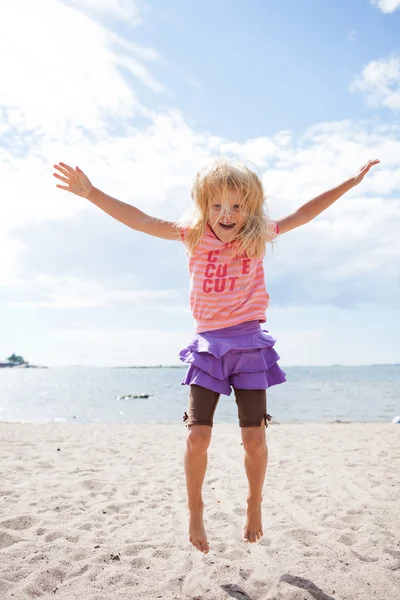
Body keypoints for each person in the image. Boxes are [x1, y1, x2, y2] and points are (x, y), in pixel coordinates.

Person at [53, 156, 379, 554]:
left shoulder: (257, 235)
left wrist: (350, 180)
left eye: (237, 206)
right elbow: (139, 219)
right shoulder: (192, 234)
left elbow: (306, 212)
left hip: (249, 345)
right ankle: (195, 511)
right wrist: (91, 193)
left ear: (251, 206)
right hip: (208, 345)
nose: (227, 215)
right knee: (197, 435)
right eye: (218, 205)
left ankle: (253, 505)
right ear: (204, 204)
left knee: (254, 439)